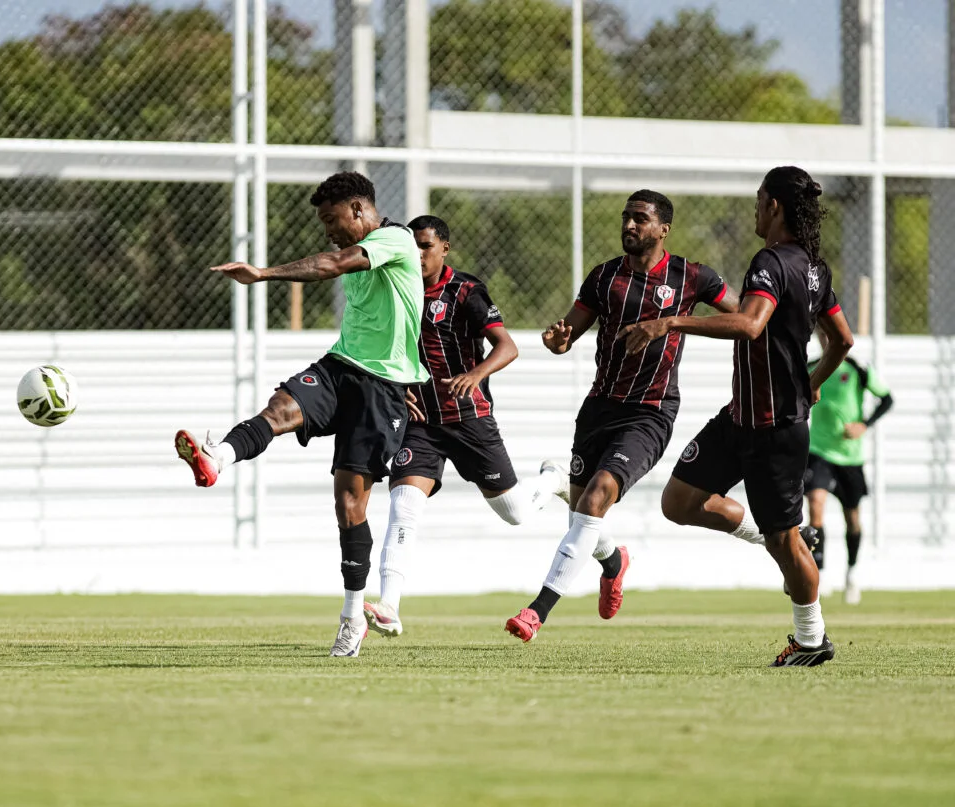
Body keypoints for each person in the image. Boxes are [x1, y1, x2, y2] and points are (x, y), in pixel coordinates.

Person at [173, 171, 426, 658]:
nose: (328, 230)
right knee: (280, 408)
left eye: (333, 219)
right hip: (340, 367)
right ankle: (217, 457)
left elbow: (333, 263)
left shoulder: (395, 239)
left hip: (384, 390)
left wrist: (264, 274)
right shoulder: (362, 245)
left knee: (349, 506)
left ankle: (353, 617)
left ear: (358, 209)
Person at [620, 166, 854, 667]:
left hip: (775, 430)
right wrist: (812, 384)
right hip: (739, 419)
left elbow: (750, 324)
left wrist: (671, 321)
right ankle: (764, 528)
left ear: (774, 207)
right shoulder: (814, 266)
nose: (753, 208)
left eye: (757, 200)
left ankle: (812, 641)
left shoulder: (772, 261)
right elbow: (842, 341)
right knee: (678, 501)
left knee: (786, 547)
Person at [504, 190, 741, 643]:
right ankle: (613, 562)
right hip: (599, 408)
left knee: (593, 502)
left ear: (663, 229)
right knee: (582, 514)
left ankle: (537, 611)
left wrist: (673, 322)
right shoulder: (604, 277)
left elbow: (745, 320)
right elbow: (567, 333)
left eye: (640, 219)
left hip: (649, 412)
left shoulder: (692, 277)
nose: (629, 226)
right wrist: (558, 338)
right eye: (626, 218)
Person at [362, 215, 569, 638]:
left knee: (515, 513)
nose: (417, 254)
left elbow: (508, 346)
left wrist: (475, 375)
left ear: (444, 249)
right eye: (411, 246)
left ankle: (552, 480)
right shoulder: (397, 289)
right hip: (421, 423)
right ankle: (389, 606)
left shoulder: (466, 291)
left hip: (469, 418)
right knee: (404, 507)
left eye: (425, 246)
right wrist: (396, 388)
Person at [805, 325, 893, 605]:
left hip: (850, 457)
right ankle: (819, 573)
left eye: (828, 333)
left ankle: (852, 574)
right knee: (815, 507)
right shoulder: (810, 367)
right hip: (818, 450)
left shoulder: (857, 368)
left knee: (852, 518)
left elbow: (886, 398)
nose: (824, 338)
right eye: (820, 333)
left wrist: (863, 425)